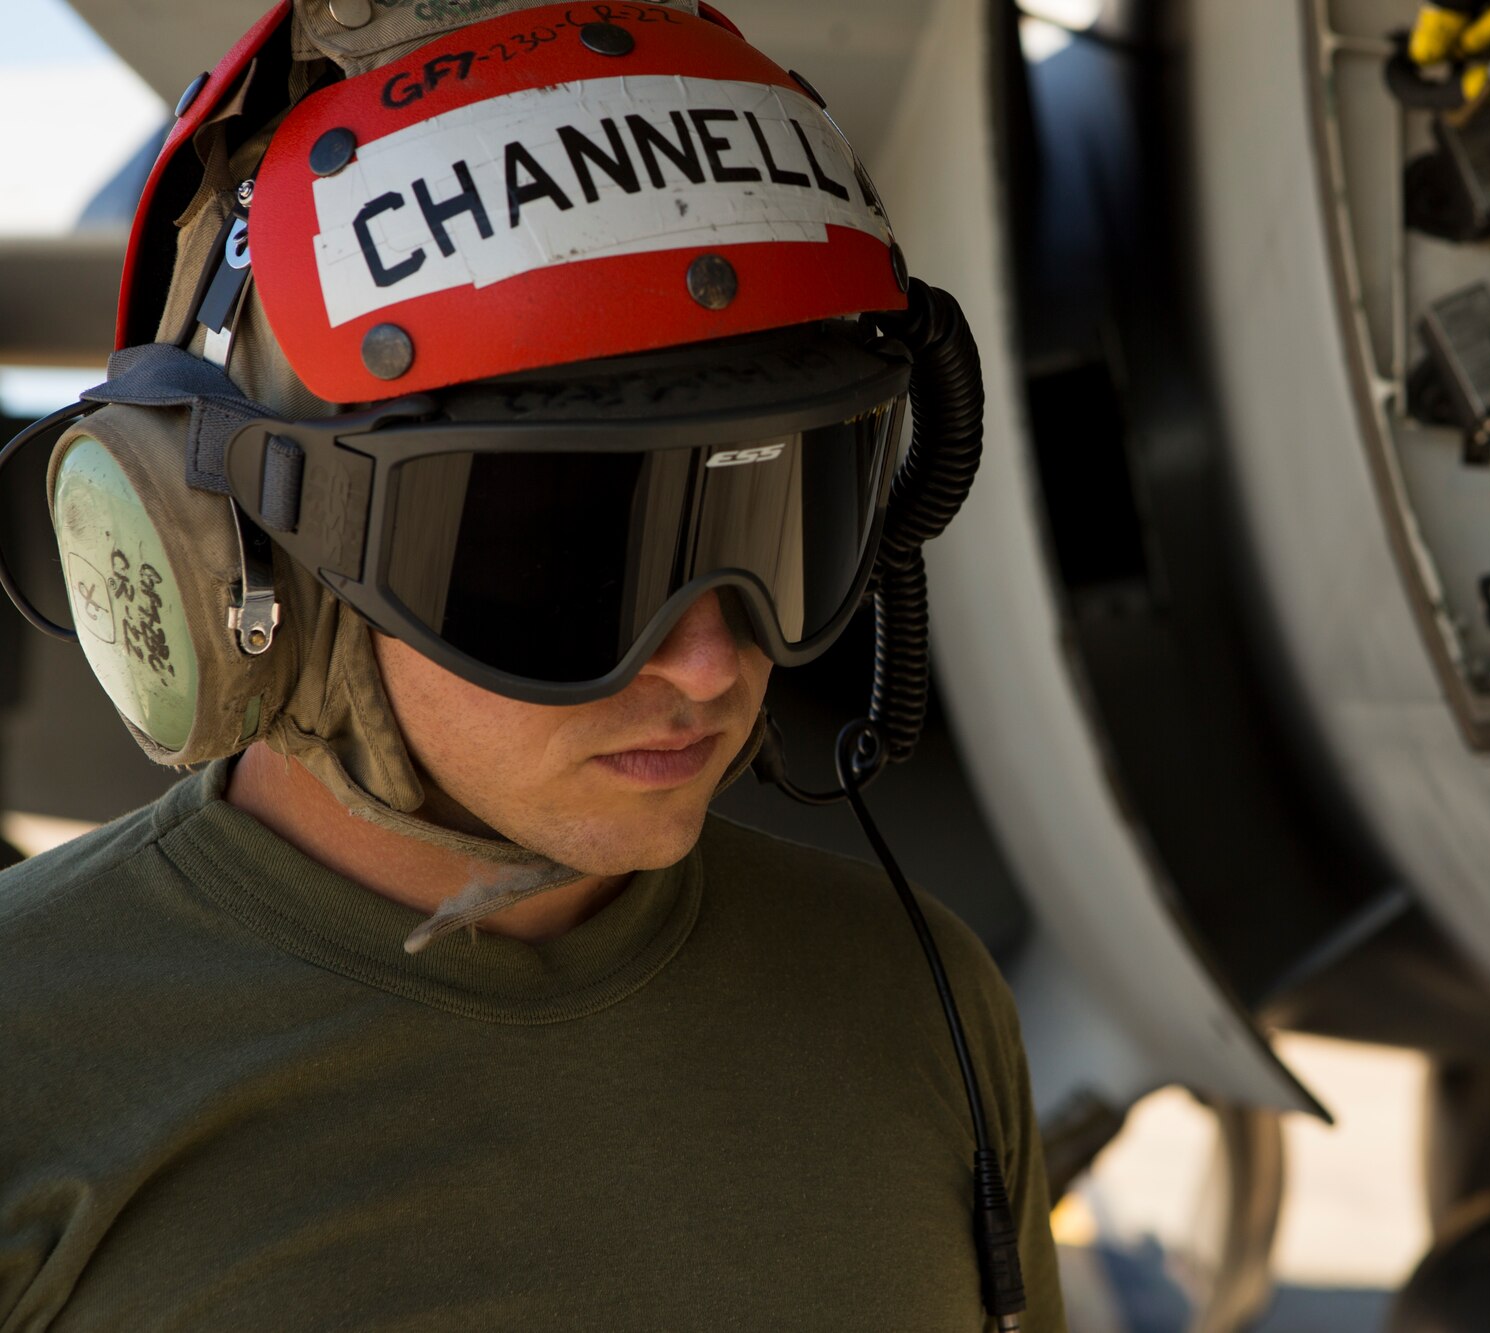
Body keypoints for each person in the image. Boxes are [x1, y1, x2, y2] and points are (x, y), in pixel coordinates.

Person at [0, 1, 1065, 1328]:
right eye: (570, 555)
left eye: (774, 516)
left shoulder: (920, 1004)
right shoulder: (27, 1065)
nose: (708, 658)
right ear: (243, 560)